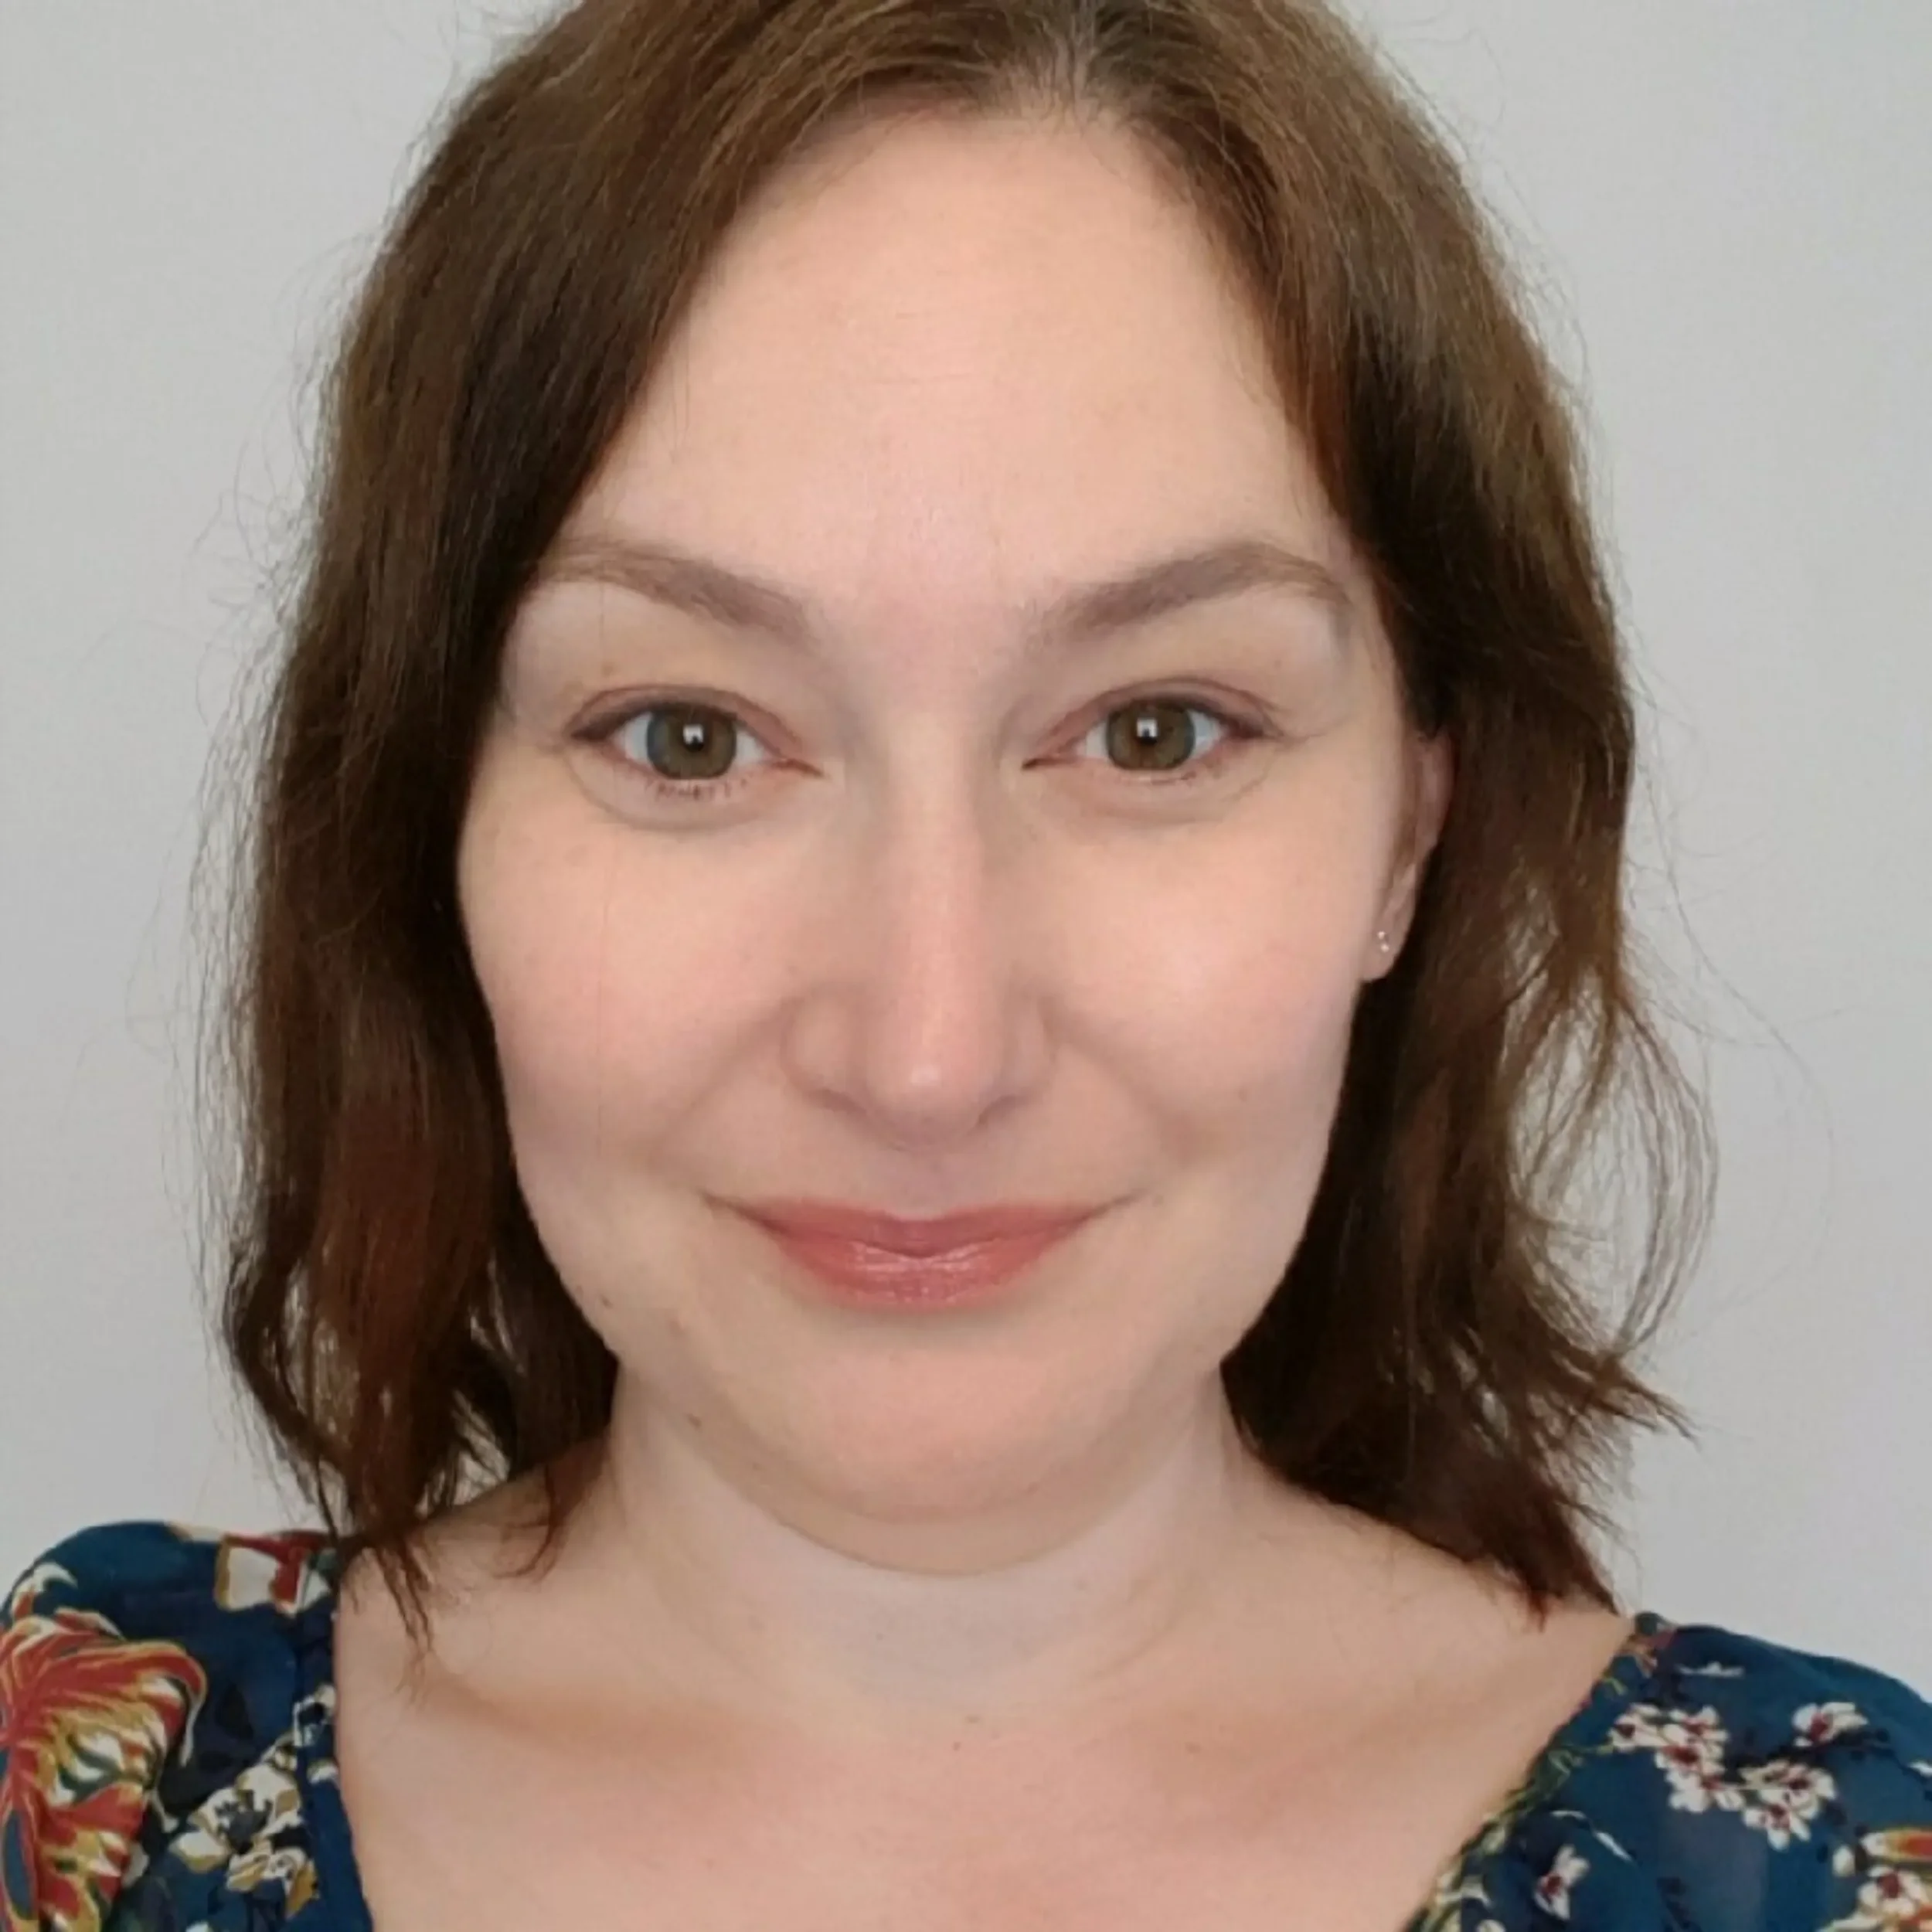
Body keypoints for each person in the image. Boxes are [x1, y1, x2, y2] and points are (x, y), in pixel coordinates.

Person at [5, 0, 1929, 1926]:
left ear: (1412, 830)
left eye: (1157, 730)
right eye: (688, 734)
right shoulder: (87, 1797)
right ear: (434, 822)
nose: (926, 1052)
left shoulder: (1832, 1877)